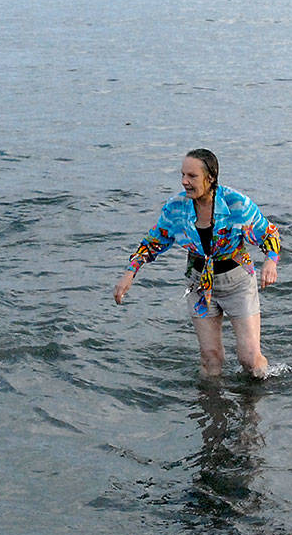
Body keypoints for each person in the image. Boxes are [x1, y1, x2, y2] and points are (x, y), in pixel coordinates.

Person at [113, 148, 280, 379]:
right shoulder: (176, 207)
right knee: (211, 358)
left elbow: (269, 234)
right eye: (182, 175)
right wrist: (130, 273)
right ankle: (211, 410)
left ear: (210, 177)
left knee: (250, 359)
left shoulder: (236, 204)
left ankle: (254, 409)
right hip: (199, 285)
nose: (184, 182)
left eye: (192, 176)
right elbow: (152, 242)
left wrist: (270, 262)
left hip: (238, 283)